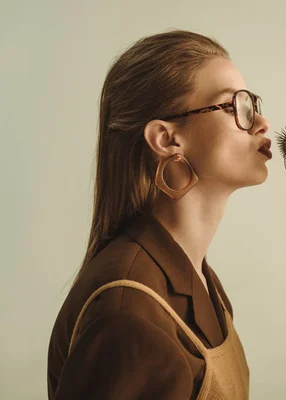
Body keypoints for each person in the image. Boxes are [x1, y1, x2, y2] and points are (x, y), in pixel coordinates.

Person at [46, 29, 271, 400]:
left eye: (253, 104)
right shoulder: (127, 314)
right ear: (166, 139)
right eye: (236, 106)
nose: (262, 123)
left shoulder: (198, 279)